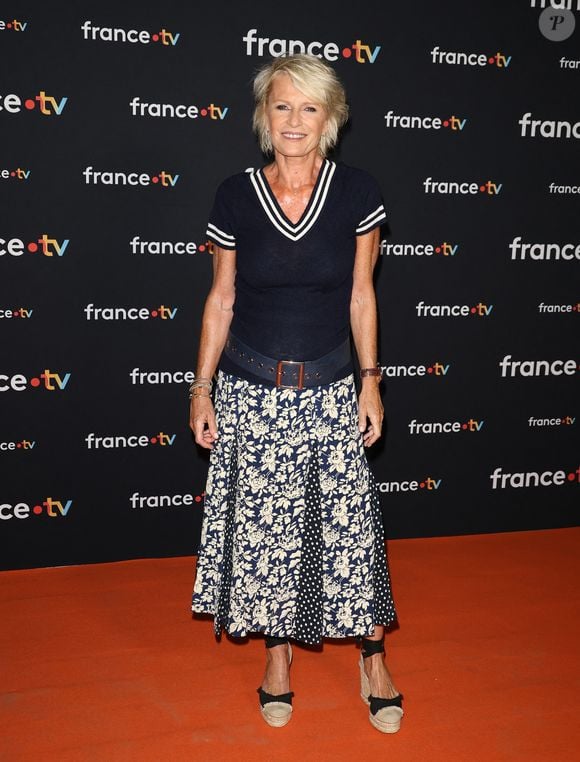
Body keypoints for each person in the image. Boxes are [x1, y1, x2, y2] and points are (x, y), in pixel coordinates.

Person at [190, 54, 403, 734]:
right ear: (264, 116)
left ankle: (373, 659)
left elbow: (361, 294)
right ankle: (277, 659)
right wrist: (201, 388)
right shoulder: (234, 195)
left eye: (309, 108)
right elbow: (220, 300)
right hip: (249, 390)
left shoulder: (356, 192)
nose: (294, 121)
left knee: (349, 531)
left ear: (330, 118)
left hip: (331, 388)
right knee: (264, 532)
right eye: (282, 106)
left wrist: (371, 381)